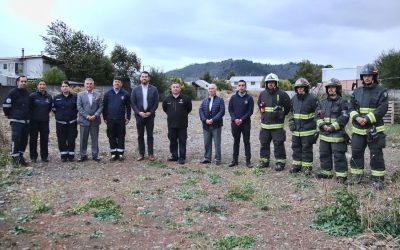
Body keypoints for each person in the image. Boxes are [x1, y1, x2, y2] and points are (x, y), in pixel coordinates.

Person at [348, 63, 388, 190]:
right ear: (362, 77)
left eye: (369, 75)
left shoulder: (382, 91)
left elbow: (383, 108)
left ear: (374, 76)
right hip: (358, 130)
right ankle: (356, 177)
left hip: (374, 129)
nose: (367, 78)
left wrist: (367, 118)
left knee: (376, 154)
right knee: (356, 152)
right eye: (365, 76)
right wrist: (356, 117)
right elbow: (350, 107)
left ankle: (378, 179)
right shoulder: (357, 92)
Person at [315, 78, 349, 183]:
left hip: (337, 134)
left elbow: (344, 117)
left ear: (337, 89)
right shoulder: (323, 102)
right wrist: (323, 125)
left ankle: (341, 176)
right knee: (324, 153)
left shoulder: (343, 102)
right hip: (324, 134)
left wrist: (333, 126)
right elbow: (316, 116)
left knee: (339, 155)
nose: (330, 89)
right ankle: (326, 173)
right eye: (329, 87)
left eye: (333, 87)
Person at [257, 73, 291, 171]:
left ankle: (280, 162)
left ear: (276, 83)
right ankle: (264, 161)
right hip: (265, 126)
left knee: (278, 144)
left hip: (277, 126)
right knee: (264, 144)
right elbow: (260, 105)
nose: (270, 84)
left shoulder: (282, 94)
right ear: (266, 83)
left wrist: (281, 113)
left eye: (272, 82)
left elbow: (287, 108)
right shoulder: (262, 94)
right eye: (269, 82)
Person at [289, 77, 318, 175]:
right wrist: (291, 122)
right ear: (296, 89)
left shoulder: (312, 99)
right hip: (296, 130)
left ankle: (307, 167)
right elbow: (291, 113)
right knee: (296, 148)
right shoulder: (293, 99)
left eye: (302, 87)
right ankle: (296, 165)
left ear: (306, 88)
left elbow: (318, 114)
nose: (300, 89)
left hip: (308, 130)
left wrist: (315, 127)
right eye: (298, 87)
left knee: (307, 149)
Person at [131, 71, 159, 161]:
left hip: (150, 115)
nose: (144, 78)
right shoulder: (135, 89)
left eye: (146, 77)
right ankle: (141, 154)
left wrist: (150, 112)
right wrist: (139, 112)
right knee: (140, 135)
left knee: (150, 135)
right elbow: (133, 103)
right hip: (139, 116)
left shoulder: (154, 89)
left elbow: (156, 102)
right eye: (142, 76)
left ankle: (151, 154)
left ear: (149, 78)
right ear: (140, 78)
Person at [2, 76, 30, 166]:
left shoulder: (27, 93)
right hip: (16, 120)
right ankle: (15, 159)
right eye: (22, 81)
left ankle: (20, 157)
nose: (23, 83)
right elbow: (6, 106)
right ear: (17, 82)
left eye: (25, 81)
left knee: (24, 140)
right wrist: (10, 115)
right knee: (16, 139)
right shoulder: (13, 92)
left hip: (26, 121)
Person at [162, 82, 192, 165]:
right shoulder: (167, 99)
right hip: (171, 124)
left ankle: (182, 157)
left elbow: (189, 109)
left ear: (180, 88)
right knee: (172, 141)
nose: (175, 88)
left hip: (182, 124)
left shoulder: (186, 98)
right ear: (171, 89)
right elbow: (165, 109)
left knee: (182, 141)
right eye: (174, 87)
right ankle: (174, 156)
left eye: (177, 87)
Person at [102, 76, 131, 161]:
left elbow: (128, 107)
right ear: (113, 83)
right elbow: (104, 107)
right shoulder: (108, 94)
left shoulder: (125, 93)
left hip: (121, 119)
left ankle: (120, 153)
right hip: (110, 119)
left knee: (121, 136)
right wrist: (104, 117)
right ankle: (113, 153)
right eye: (115, 82)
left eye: (118, 82)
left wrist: (128, 117)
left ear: (121, 84)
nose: (117, 83)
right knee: (111, 136)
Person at [228, 80, 254, 168]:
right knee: (236, 142)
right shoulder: (233, 98)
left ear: (245, 87)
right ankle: (235, 160)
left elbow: (250, 111)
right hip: (235, 123)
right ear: (237, 87)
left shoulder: (249, 98)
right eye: (239, 85)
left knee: (246, 142)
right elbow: (230, 110)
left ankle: (248, 161)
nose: (241, 87)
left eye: (243, 85)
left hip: (245, 123)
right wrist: (235, 119)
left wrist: (241, 119)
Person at [77, 78, 103, 162]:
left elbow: (101, 106)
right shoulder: (80, 95)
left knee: (94, 139)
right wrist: (87, 116)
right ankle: (83, 155)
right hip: (84, 121)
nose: (89, 85)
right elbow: (79, 107)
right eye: (87, 83)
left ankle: (95, 155)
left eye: (90, 84)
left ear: (93, 85)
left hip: (95, 121)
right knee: (83, 139)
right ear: (84, 85)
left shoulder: (98, 94)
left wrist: (95, 115)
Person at [199, 84, 225, 165]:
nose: (211, 90)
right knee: (207, 142)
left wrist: (213, 120)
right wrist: (205, 120)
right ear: (208, 90)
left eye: (212, 88)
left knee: (217, 143)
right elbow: (201, 111)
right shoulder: (204, 100)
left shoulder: (220, 100)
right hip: (206, 125)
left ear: (215, 90)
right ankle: (207, 158)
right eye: (209, 89)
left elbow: (222, 111)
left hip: (216, 125)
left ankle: (218, 159)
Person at [52, 80, 78, 162]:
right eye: (63, 86)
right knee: (61, 139)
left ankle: (71, 155)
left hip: (72, 122)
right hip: (60, 123)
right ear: (61, 88)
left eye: (66, 86)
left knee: (71, 138)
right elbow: (54, 109)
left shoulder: (75, 97)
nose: (65, 88)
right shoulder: (56, 98)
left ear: (69, 87)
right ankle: (63, 155)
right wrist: (60, 116)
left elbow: (78, 108)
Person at [29, 80, 53, 163]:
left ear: (45, 86)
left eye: (43, 84)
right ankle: (33, 157)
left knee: (44, 139)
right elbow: (29, 108)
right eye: (40, 84)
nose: (42, 86)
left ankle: (44, 156)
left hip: (45, 122)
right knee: (33, 139)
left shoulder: (49, 96)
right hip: (33, 122)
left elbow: (49, 108)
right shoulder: (32, 96)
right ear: (37, 86)